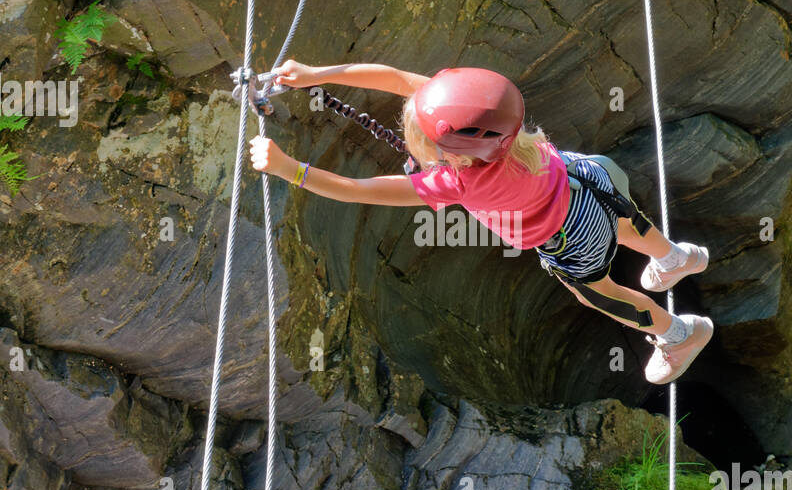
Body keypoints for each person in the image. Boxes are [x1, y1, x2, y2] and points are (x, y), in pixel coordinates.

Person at [249, 61, 713, 384]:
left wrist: (290, 170)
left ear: (453, 156)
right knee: (626, 221)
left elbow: (360, 190)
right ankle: (676, 257)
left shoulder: (457, 184)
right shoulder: (489, 116)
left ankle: (679, 335)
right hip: (589, 176)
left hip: (570, 241)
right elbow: (395, 78)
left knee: (601, 295)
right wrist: (315, 75)